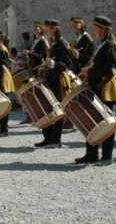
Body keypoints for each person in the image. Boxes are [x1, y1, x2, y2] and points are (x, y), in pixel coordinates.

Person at [75, 17, 116, 166]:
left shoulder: (112, 45)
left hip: (105, 86)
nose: (94, 31)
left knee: (107, 121)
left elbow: (113, 68)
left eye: (95, 28)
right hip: (96, 85)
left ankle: (107, 156)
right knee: (93, 119)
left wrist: (93, 74)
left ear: (102, 29)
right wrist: (88, 70)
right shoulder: (102, 44)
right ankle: (91, 154)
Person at [38, 19, 73, 148]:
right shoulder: (52, 43)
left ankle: (56, 140)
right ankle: (48, 138)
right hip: (50, 78)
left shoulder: (62, 43)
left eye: (46, 28)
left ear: (54, 29)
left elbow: (68, 65)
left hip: (58, 80)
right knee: (48, 108)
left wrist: (53, 64)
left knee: (57, 109)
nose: (44, 31)